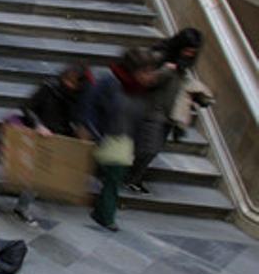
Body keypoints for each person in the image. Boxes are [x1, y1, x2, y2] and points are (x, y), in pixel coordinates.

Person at [81, 47, 161, 231]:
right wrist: (90, 129)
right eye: (146, 71)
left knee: (114, 177)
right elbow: (91, 104)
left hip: (124, 140)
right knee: (114, 177)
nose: (149, 76)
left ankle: (103, 212)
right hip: (107, 136)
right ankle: (105, 215)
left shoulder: (141, 91)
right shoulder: (110, 82)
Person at [126, 27, 208, 193]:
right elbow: (145, 79)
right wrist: (165, 71)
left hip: (169, 112)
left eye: (193, 51)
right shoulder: (160, 57)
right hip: (152, 110)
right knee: (149, 148)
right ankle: (131, 176)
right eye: (187, 50)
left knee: (153, 148)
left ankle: (134, 177)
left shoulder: (183, 64)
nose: (190, 54)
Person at [12, 63, 92, 225]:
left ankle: (24, 203)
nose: (69, 84)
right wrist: (38, 125)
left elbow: (77, 116)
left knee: (44, 174)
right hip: (41, 136)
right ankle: (22, 206)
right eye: (67, 80)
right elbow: (27, 107)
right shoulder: (49, 87)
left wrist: (79, 130)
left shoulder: (81, 95)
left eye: (73, 81)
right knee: (37, 175)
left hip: (60, 138)